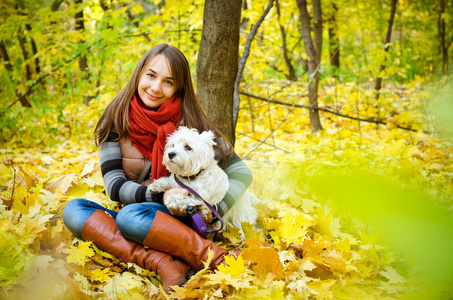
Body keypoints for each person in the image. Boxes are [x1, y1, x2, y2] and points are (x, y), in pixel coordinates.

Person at [62, 44, 253, 292]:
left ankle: (216, 257)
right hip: (142, 212)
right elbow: (114, 186)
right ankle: (166, 263)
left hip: (183, 218)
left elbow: (241, 171)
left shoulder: (192, 123)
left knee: (131, 217)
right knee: (74, 210)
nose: (155, 88)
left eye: (168, 82)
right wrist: (160, 194)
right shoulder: (116, 119)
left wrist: (215, 208)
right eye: (151, 75)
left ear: (178, 88)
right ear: (139, 73)